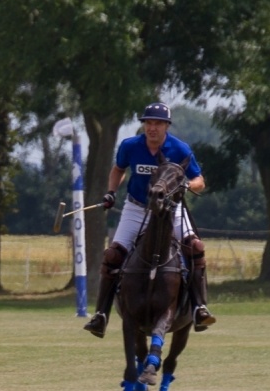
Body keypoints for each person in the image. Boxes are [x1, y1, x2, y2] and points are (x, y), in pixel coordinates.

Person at [83, 102, 216, 338]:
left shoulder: (180, 149)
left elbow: (200, 180)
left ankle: (199, 307)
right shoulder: (130, 146)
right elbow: (118, 169)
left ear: (166, 126)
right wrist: (111, 192)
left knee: (195, 247)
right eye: (148, 123)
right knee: (112, 255)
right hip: (136, 208)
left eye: (157, 123)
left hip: (170, 210)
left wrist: (186, 185)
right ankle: (101, 315)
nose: (152, 128)